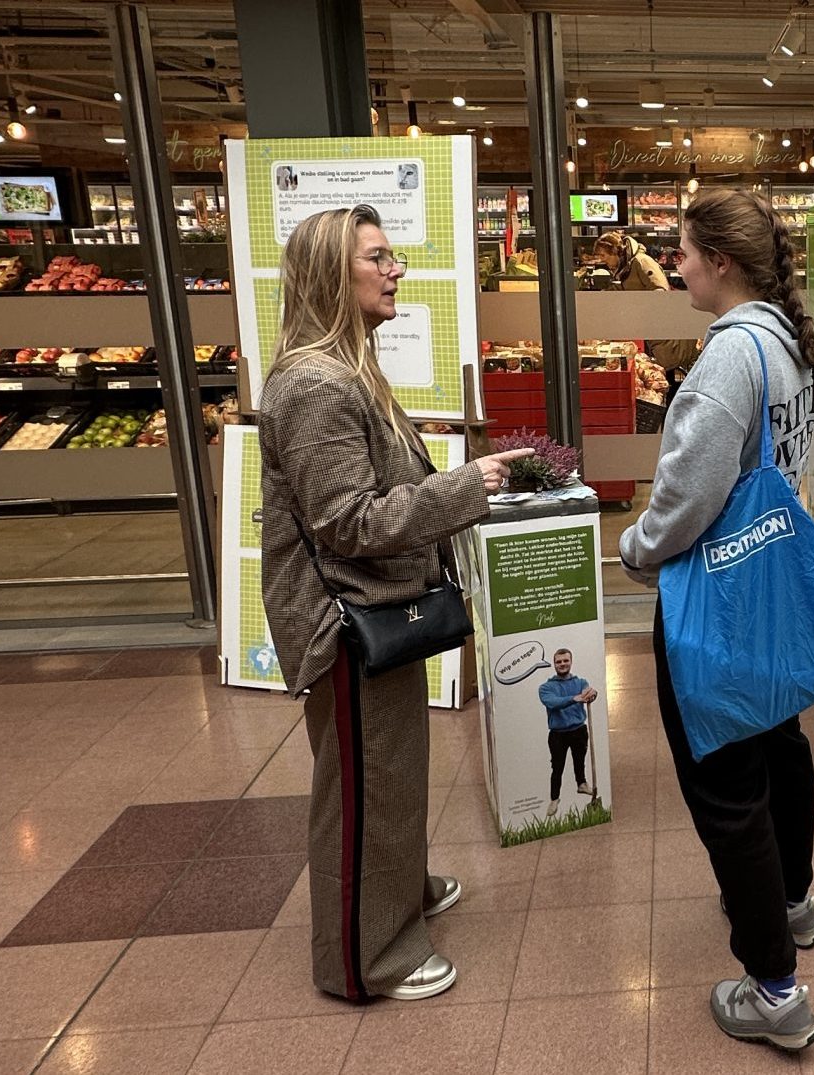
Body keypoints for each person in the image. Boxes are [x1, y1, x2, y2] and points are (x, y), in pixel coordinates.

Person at [258, 204, 532, 1004]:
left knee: (391, 766)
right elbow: (348, 520)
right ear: (327, 276)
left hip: (373, 606)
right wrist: (461, 489)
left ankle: (397, 892)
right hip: (342, 618)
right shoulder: (315, 386)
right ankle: (365, 957)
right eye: (377, 257)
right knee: (361, 784)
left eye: (392, 254)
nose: (394, 269)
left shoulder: (347, 370)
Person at [618, 188, 814, 1051]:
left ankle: (776, 990)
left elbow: (687, 498)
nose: (678, 264)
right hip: (773, 588)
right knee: (782, 744)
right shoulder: (787, 345)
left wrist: (635, 546)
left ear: (723, 262)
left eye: (686, 252)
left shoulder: (726, 363)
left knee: (726, 786)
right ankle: (793, 898)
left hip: (718, 602)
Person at [595, 230, 701, 369]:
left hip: (663, 328)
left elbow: (661, 291)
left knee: (665, 368)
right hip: (651, 327)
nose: (602, 259)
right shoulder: (624, 268)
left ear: (615, 251)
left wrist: (643, 309)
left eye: (603, 255)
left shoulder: (641, 261)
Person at [537, 647, 599, 816]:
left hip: (579, 730)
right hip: (558, 734)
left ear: (571, 662)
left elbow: (588, 693)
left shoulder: (580, 682)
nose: (563, 664)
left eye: (566, 661)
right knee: (557, 767)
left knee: (580, 761)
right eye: (559, 662)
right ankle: (554, 798)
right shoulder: (546, 688)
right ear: (554, 664)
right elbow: (553, 703)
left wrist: (592, 694)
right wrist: (574, 698)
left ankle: (581, 784)